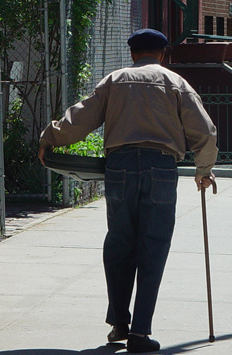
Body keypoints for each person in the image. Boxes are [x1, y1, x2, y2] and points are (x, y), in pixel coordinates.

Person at [37, 29, 218, 353]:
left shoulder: (115, 80)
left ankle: (119, 322)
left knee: (119, 242)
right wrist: (204, 170)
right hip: (160, 167)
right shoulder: (175, 83)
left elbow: (81, 118)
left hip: (119, 167)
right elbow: (203, 130)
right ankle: (140, 332)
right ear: (163, 53)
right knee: (154, 246)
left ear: (133, 53)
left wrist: (50, 137)